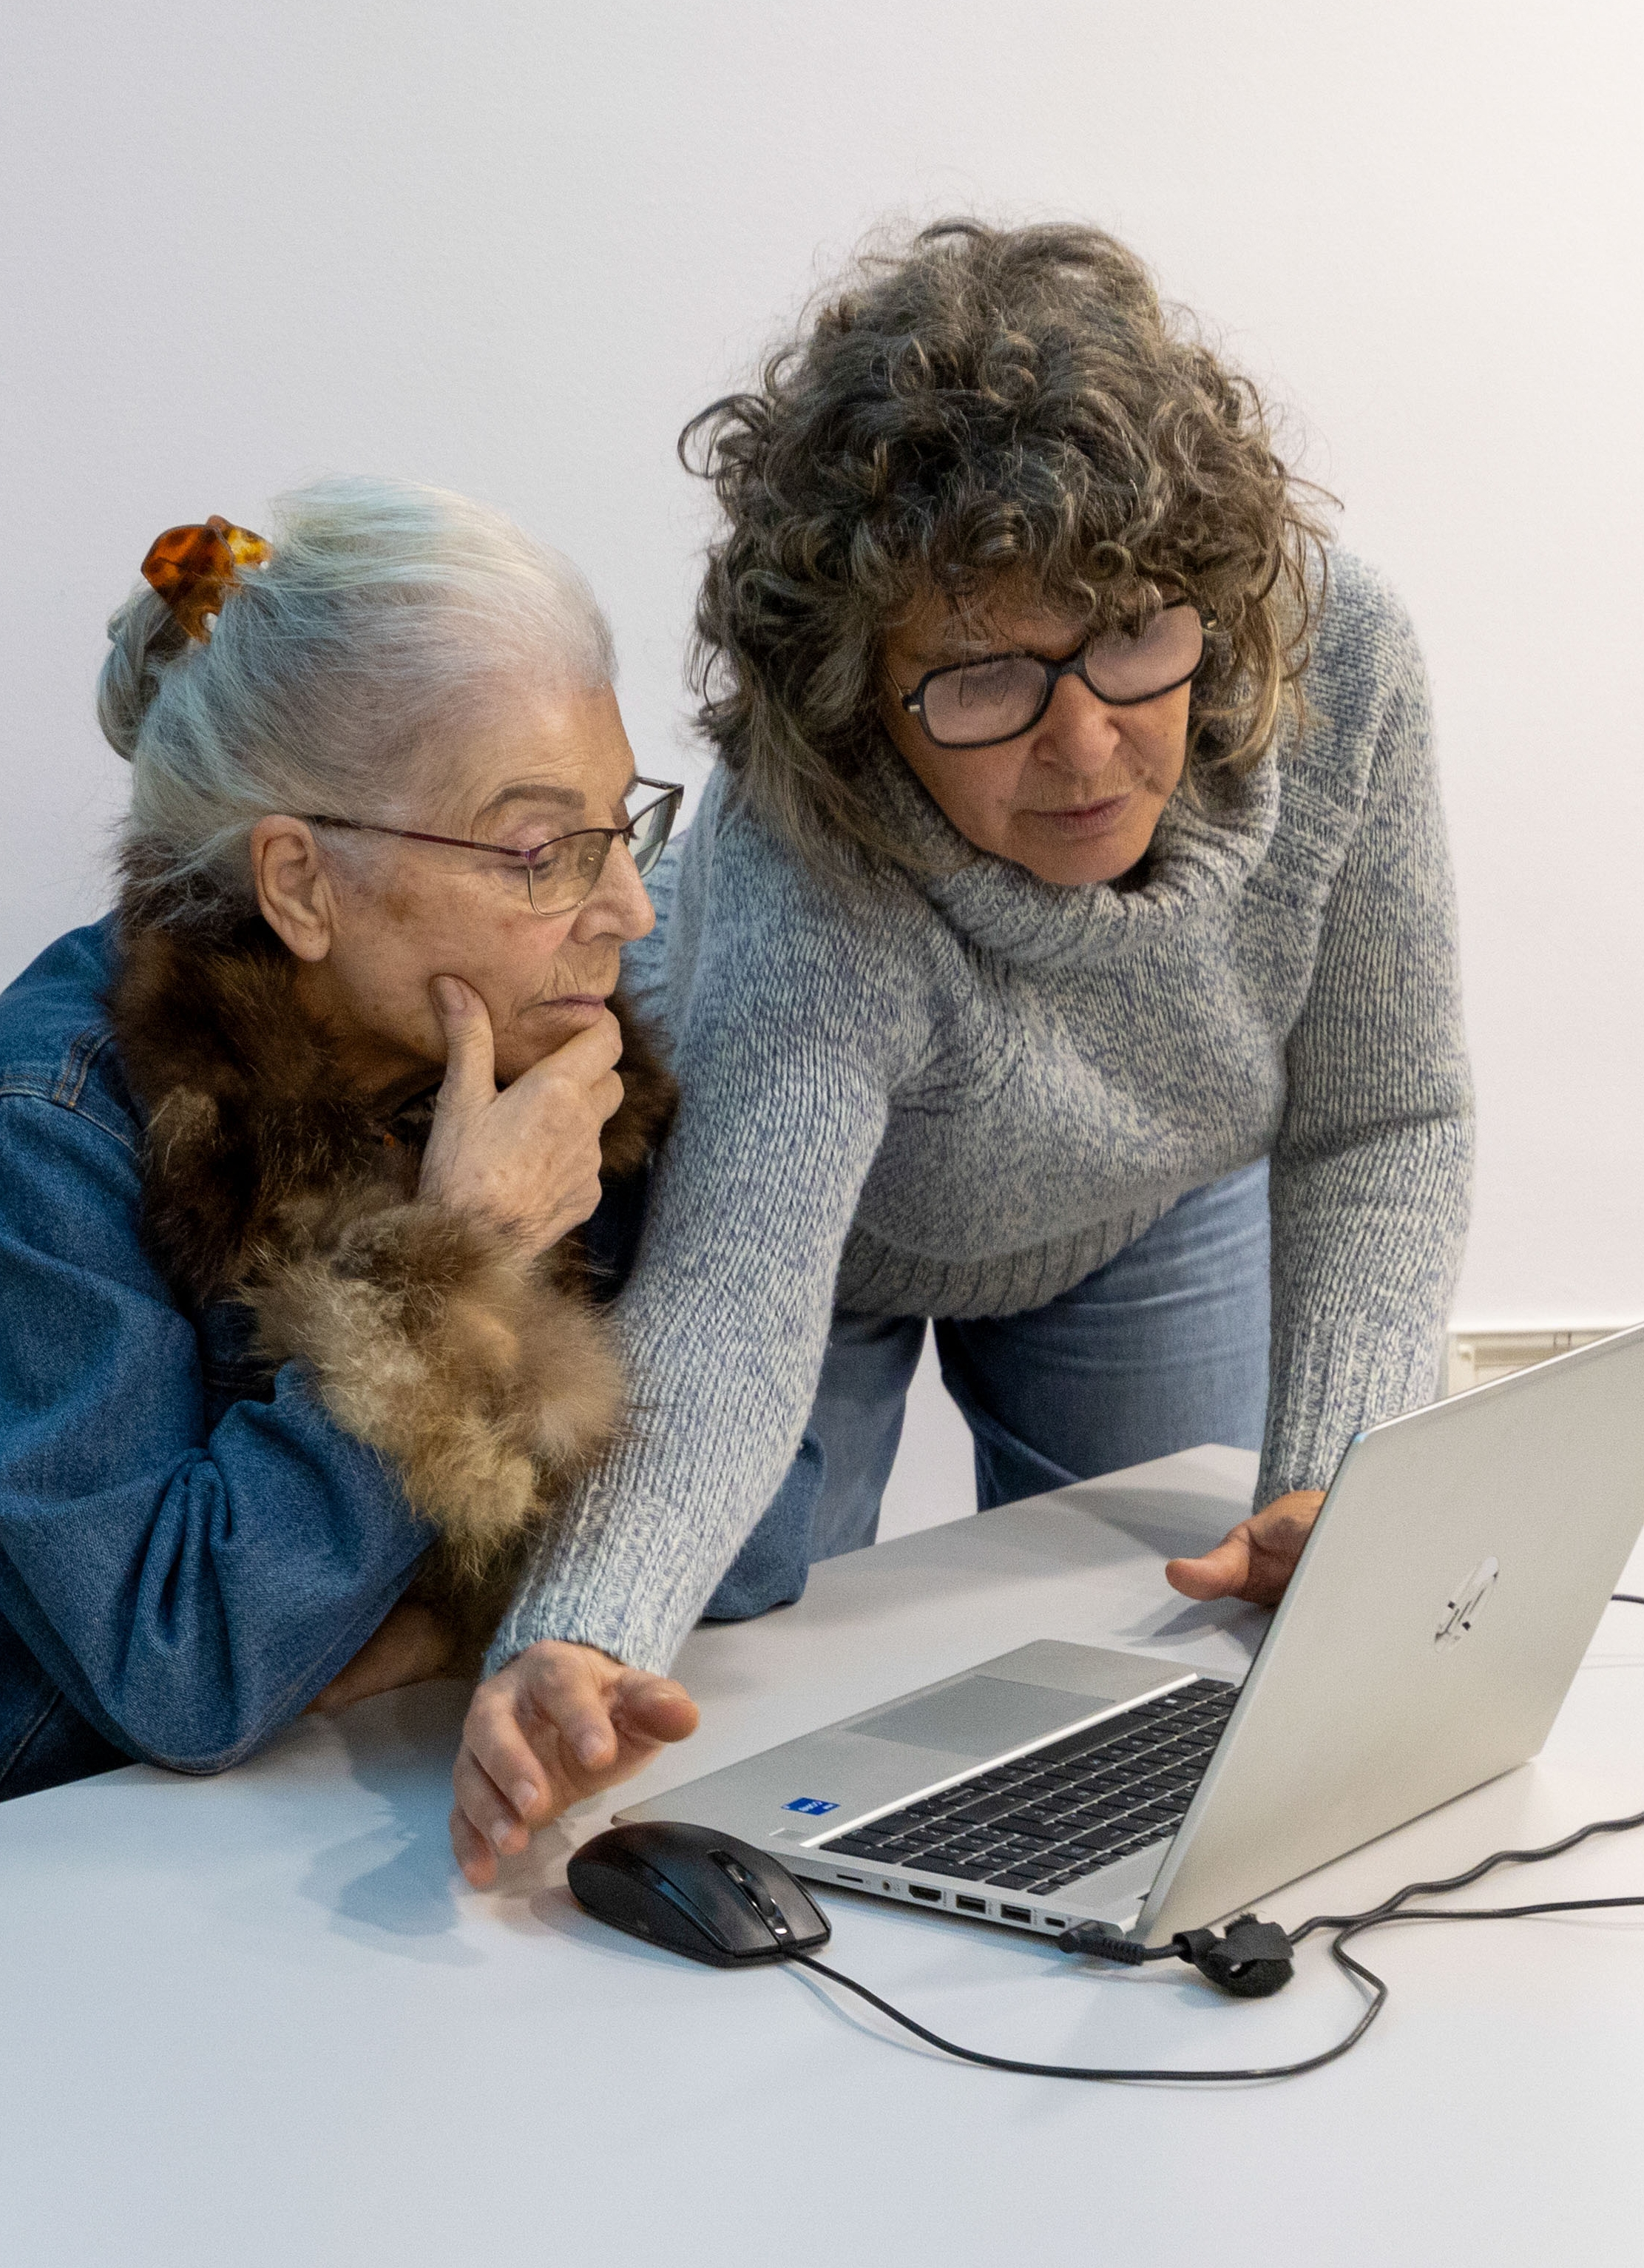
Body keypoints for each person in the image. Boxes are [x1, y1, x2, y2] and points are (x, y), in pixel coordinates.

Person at [446, 220, 1476, 1886]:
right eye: (984, 680)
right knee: (732, 1632)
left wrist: (1340, 1499)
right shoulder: (808, 832)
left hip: (1146, 1190)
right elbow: (730, 1300)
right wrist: (576, 1635)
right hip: (817, 1229)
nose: (1081, 745)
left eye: (1135, 638)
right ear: (861, 691)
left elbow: (1384, 1119)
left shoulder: (1338, 662)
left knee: (1179, 1652)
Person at [0, 478, 736, 1889]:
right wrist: (455, 1255)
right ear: (298, 881)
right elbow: (190, 1666)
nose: (629, 910)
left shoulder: (551, 1078)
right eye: (542, 851)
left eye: (622, 825)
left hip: (269, 1859)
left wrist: (419, 1635)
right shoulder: (22, 1135)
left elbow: (742, 1514)